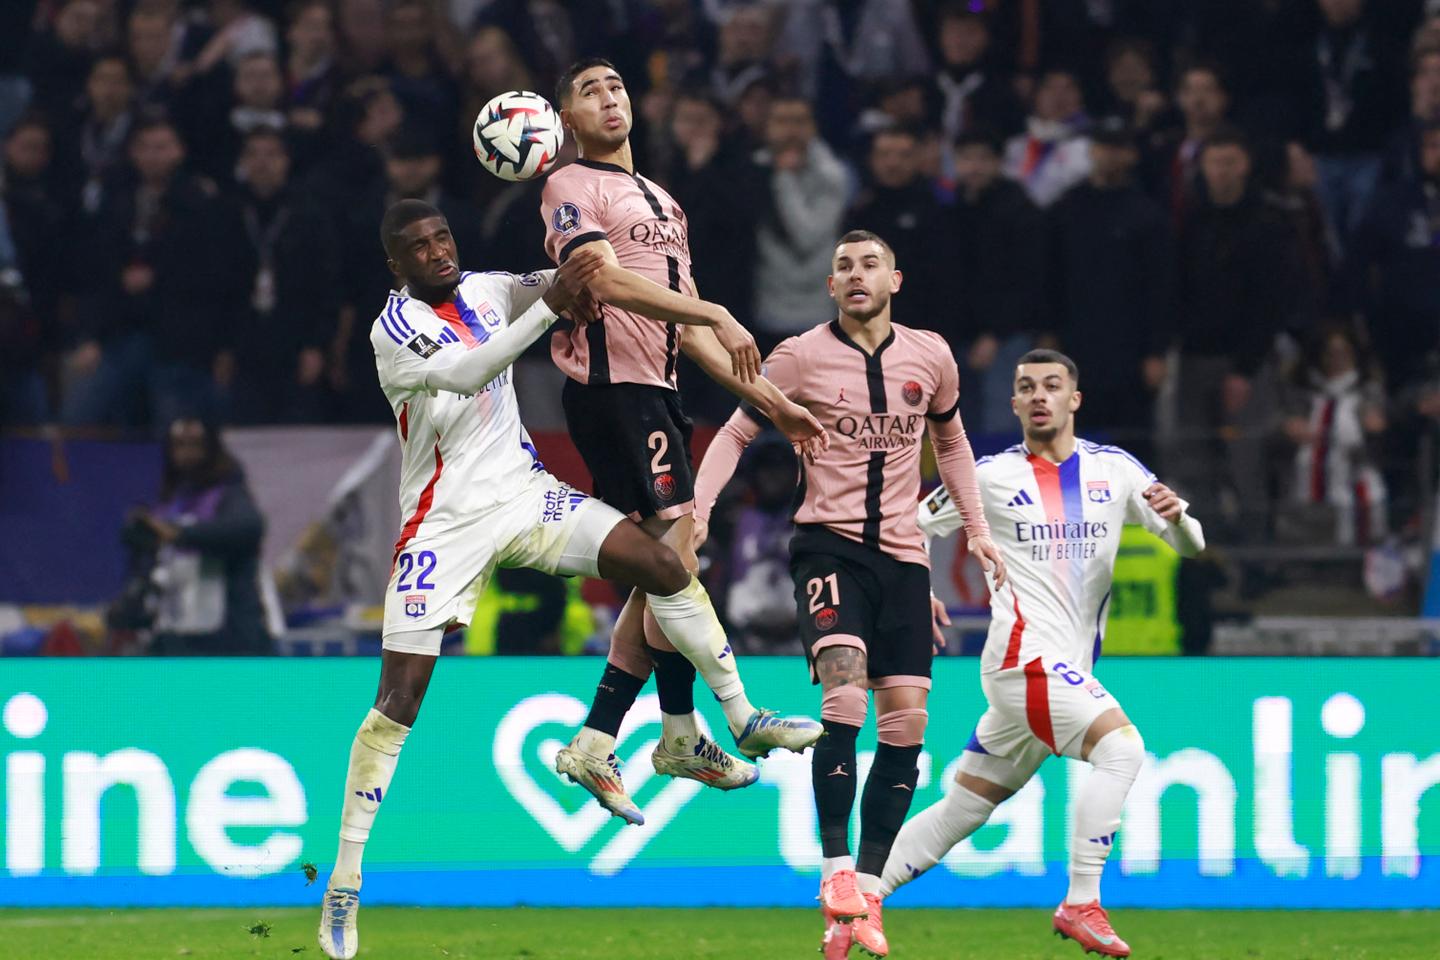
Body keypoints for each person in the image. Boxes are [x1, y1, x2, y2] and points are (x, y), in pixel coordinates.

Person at [316, 200, 819, 959]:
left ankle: (739, 715)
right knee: (398, 702)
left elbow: (585, 283)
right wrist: (551, 304)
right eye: (418, 248)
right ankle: (346, 884)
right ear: (397, 265)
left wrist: (587, 270)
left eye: (443, 236)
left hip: (525, 495)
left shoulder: (489, 289)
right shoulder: (392, 333)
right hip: (442, 524)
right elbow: (466, 370)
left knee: (662, 563)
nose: (436, 252)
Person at [692, 231, 1006, 959]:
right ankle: (835, 873)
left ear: (895, 278)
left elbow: (952, 445)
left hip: (903, 561)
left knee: (906, 728)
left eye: (869, 264)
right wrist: (701, 513)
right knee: (844, 694)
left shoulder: (931, 356)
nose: (856, 275)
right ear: (830, 287)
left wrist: (977, 532)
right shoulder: (799, 356)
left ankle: (866, 896)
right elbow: (737, 432)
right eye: (843, 267)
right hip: (828, 547)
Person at [539, 58, 829, 822]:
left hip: (658, 396)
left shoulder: (664, 200)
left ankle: (620, 739)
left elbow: (684, 320)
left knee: (665, 570)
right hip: (611, 396)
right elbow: (601, 282)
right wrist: (714, 314)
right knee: (673, 562)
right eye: (589, 92)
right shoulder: (571, 187)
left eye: (616, 87)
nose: (608, 99)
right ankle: (736, 717)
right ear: (566, 119)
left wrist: (770, 402)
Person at [878, 349, 1205, 959]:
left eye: (1052, 386)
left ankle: (860, 899)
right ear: (1013, 403)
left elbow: (1192, 544)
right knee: (1123, 748)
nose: (1039, 396)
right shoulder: (987, 476)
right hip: (1021, 659)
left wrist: (1179, 519)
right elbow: (906, 528)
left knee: (964, 807)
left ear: (1074, 399)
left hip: (1064, 670)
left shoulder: (1117, 470)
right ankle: (1082, 900)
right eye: (1026, 386)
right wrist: (915, 591)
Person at [124, 418, 271, 656]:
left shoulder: (230, 495)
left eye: (195, 445)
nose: (187, 454)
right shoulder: (172, 500)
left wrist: (181, 534)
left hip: (228, 638)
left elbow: (248, 527)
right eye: (179, 445)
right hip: (177, 634)